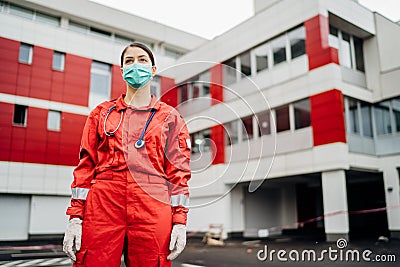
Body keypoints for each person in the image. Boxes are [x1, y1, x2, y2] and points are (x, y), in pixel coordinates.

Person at [62, 42, 191, 267]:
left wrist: (179, 221)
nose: (135, 65)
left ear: (153, 70)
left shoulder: (170, 118)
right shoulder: (101, 114)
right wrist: (75, 217)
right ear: (122, 72)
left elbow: (179, 172)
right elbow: (85, 168)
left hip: (152, 205)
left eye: (142, 60)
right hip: (103, 205)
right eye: (129, 61)